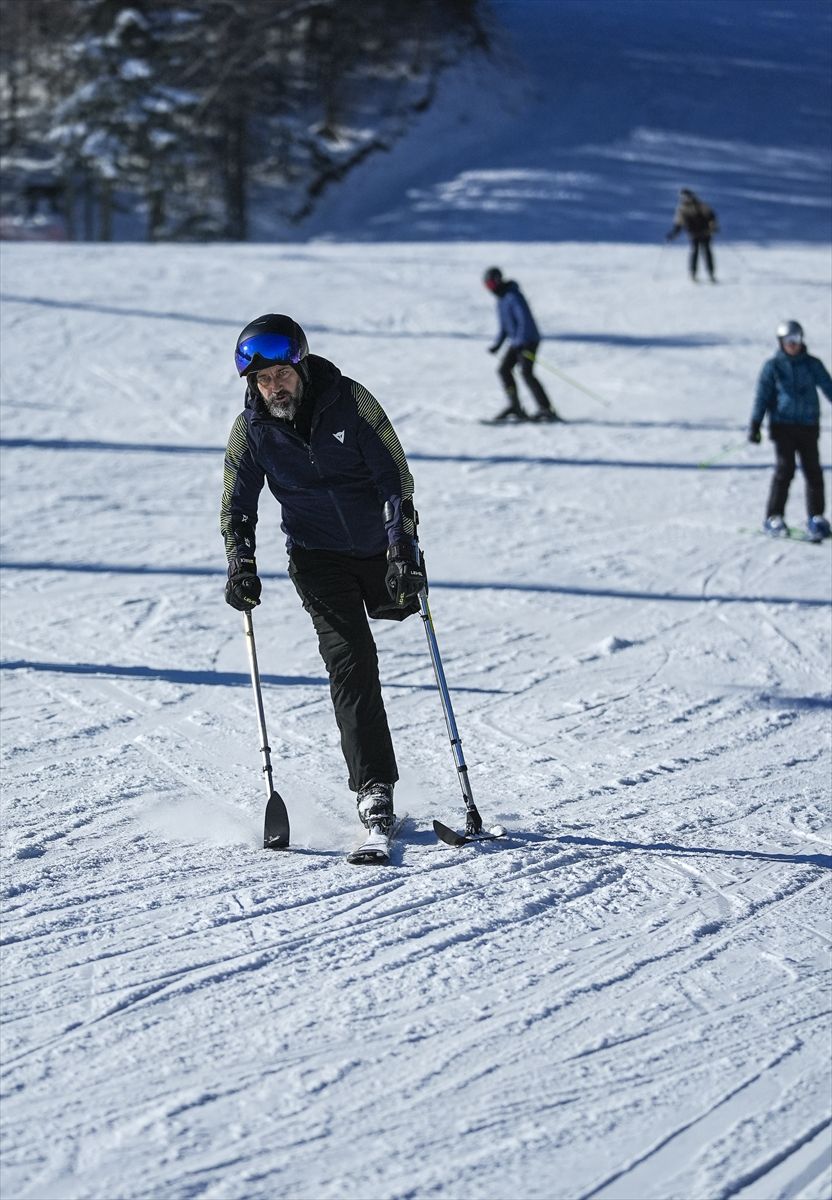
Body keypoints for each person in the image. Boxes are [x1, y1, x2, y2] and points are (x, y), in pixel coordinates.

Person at [221, 314, 427, 837]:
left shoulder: (351, 401)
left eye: (281, 375)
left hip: (379, 548)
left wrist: (402, 549)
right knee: (352, 660)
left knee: (397, 612)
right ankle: (373, 787)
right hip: (316, 557)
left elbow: (395, 477)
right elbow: (236, 505)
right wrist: (241, 562)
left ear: (301, 365)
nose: (273, 388)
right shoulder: (251, 431)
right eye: (262, 380)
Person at [748, 319, 832, 541]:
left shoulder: (812, 364)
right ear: (781, 342)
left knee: (813, 471)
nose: (793, 345)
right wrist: (755, 424)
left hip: (807, 424)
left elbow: (828, 386)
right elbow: (762, 396)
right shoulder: (773, 366)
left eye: (796, 340)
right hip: (782, 426)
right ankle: (773, 516)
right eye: (788, 341)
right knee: (785, 470)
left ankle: (816, 517)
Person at [483, 267, 561, 422]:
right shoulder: (501, 300)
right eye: (487, 286)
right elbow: (505, 326)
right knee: (504, 370)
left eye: (491, 285)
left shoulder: (513, 296)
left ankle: (546, 409)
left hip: (529, 340)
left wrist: (520, 341)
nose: (490, 289)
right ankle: (515, 406)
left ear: (498, 281)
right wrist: (497, 345)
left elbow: (524, 320)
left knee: (526, 373)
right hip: (518, 342)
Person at [666, 188, 718, 282]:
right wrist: (674, 233)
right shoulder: (682, 208)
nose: (685, 199)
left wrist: (713, 226)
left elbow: (711, 216)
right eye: (683, 197)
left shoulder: (701, 205)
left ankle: (711, 273)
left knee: (707, 252)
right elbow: (679, 223)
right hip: (693, 233)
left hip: (705, 232)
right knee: (695, 252)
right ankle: (693, 273)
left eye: (686, 196)